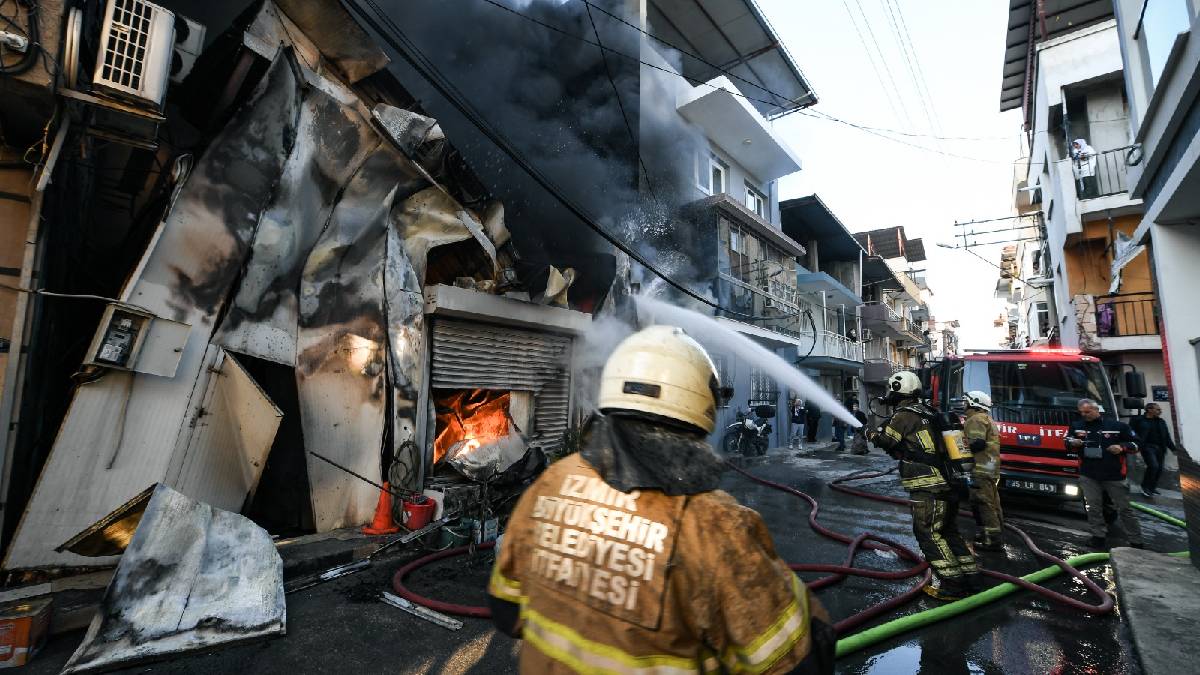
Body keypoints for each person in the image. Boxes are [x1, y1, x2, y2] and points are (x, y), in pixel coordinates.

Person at [488, 325, 836, 674]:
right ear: (701, 404)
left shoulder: (554, 480)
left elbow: (506, 611)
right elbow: (801, 659)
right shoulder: (716, 526)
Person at [869, 371, 980, 600]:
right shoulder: (929, 411)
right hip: (950, 482)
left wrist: (871, 433)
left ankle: (953, 585)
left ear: (897, 391)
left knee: (928, 532)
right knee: (949, 531)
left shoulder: (903, 415)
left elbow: (887, 440)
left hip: (928, 485)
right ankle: (971, 578)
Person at [1066, 398, 1144, 550]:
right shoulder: (1077, 426)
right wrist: (1072, 443)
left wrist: (1121, 447)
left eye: (1087, 412)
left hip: (1114, 475)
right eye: (1081, 412)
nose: (1084, 415)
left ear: (1097, 410)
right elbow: (1067, 441)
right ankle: (1098, 537)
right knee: (1093, 507)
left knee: (1124, 509)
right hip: (1088, 475)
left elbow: (1137, 444)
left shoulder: (1118, 426)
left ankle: (1136, 541)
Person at [963, 391, 1003, 551]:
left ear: (974, 403)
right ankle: (992, 533)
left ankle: (992, 540)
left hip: (980, 469)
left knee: (983, 503)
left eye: (966, 401)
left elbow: (977, 443)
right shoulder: (987, 419)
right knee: (993, 503)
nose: (963, 404)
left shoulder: (976, 419)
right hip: (990, 468)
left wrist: (957, 448)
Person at [1129, 402, 1177, 498]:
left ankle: (1152, 487)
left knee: (1159, 469)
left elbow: (1167, 436)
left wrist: (1173, 449)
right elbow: (1131, 432)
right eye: (1158, 409)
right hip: (1147, 447)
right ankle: (1145, 487)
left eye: (1160, 410)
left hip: (1160, 447)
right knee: (1153, 466)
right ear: (1149, 410)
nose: (1160, 411)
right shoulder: (1138, 420)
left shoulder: (1161, 421)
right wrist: (1135, 443)